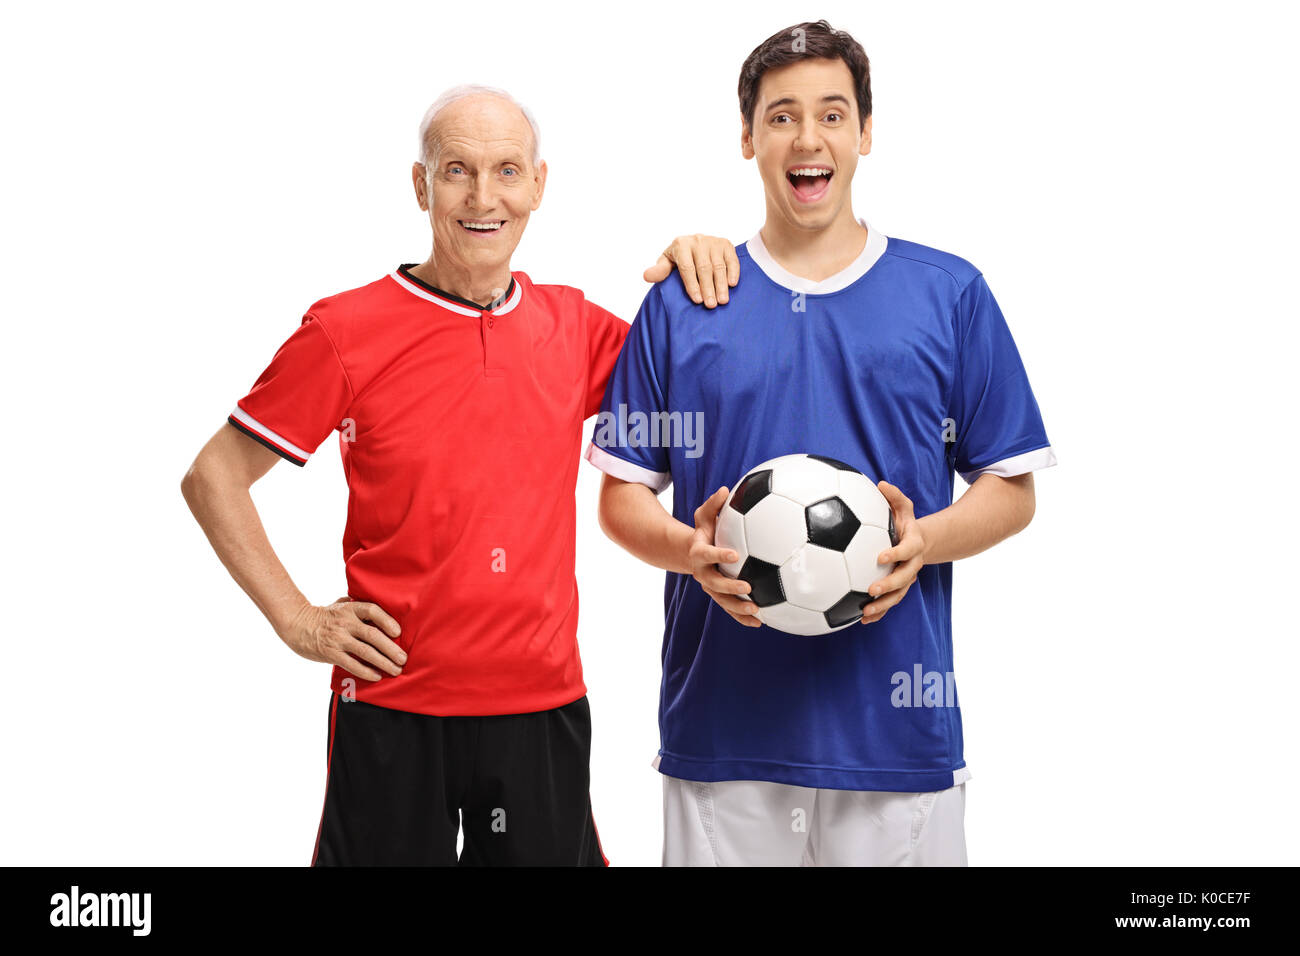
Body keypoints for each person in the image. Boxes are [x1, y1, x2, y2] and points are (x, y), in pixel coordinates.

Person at [180, 84, 738, 866]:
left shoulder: (576, 328)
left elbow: (706, 371)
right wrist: (299, 620)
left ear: (539, 185)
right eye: (457, 171)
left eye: (507, 171)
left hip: (540, 707)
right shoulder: (346, 331)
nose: (484, 197)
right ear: (421, 186)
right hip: (393, 704)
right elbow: (214, 476)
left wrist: (698, 255)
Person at [587, 21, 1056, 866]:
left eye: (833, 115)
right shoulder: (686, 302)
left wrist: (925, 542)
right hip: (722, 734)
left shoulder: (949, 294)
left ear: (866, 134)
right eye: (781, 117)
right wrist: (693, 553)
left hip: (895, 743)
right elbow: (621, 501)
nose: (809, 139)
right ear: (747, 137)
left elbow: (1012, 487)